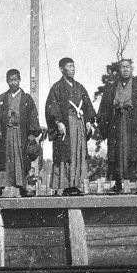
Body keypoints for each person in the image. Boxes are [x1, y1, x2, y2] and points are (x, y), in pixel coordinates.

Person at [95, 58, 137, 194]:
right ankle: (118, 184)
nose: (125, 69)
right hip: (116, 125)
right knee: (116, 154)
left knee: (136, 152)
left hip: (134, 125)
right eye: (122, 67)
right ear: (118, 70)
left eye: (128, 67)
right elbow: (104, 109)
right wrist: (104, 123)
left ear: (132, 69)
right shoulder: (111, 88)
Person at [44, 57, 95, 196]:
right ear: (61, 69)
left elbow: (87, 105)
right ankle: (65, 185)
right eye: (69, 66)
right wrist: (58, 122)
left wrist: (88, 121)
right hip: (66, 125)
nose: (72, 69)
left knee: (78, 153)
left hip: (79, 124)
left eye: (73, 66)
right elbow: (52, 106)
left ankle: (76, 184)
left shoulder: (79, 87)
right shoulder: (57, 87)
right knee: (66, 154)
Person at [0, 69, 41, 196]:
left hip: (21, 135)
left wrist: (32, 133)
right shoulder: (2, 98)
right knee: (3, 160)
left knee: (22, 160)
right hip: (5, 135)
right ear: (7, 81)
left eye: (15, 80)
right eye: (10, 80)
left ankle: (25, 187)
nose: (13, 83)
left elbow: (33, 117)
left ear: (19, 80)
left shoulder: (26, 98)